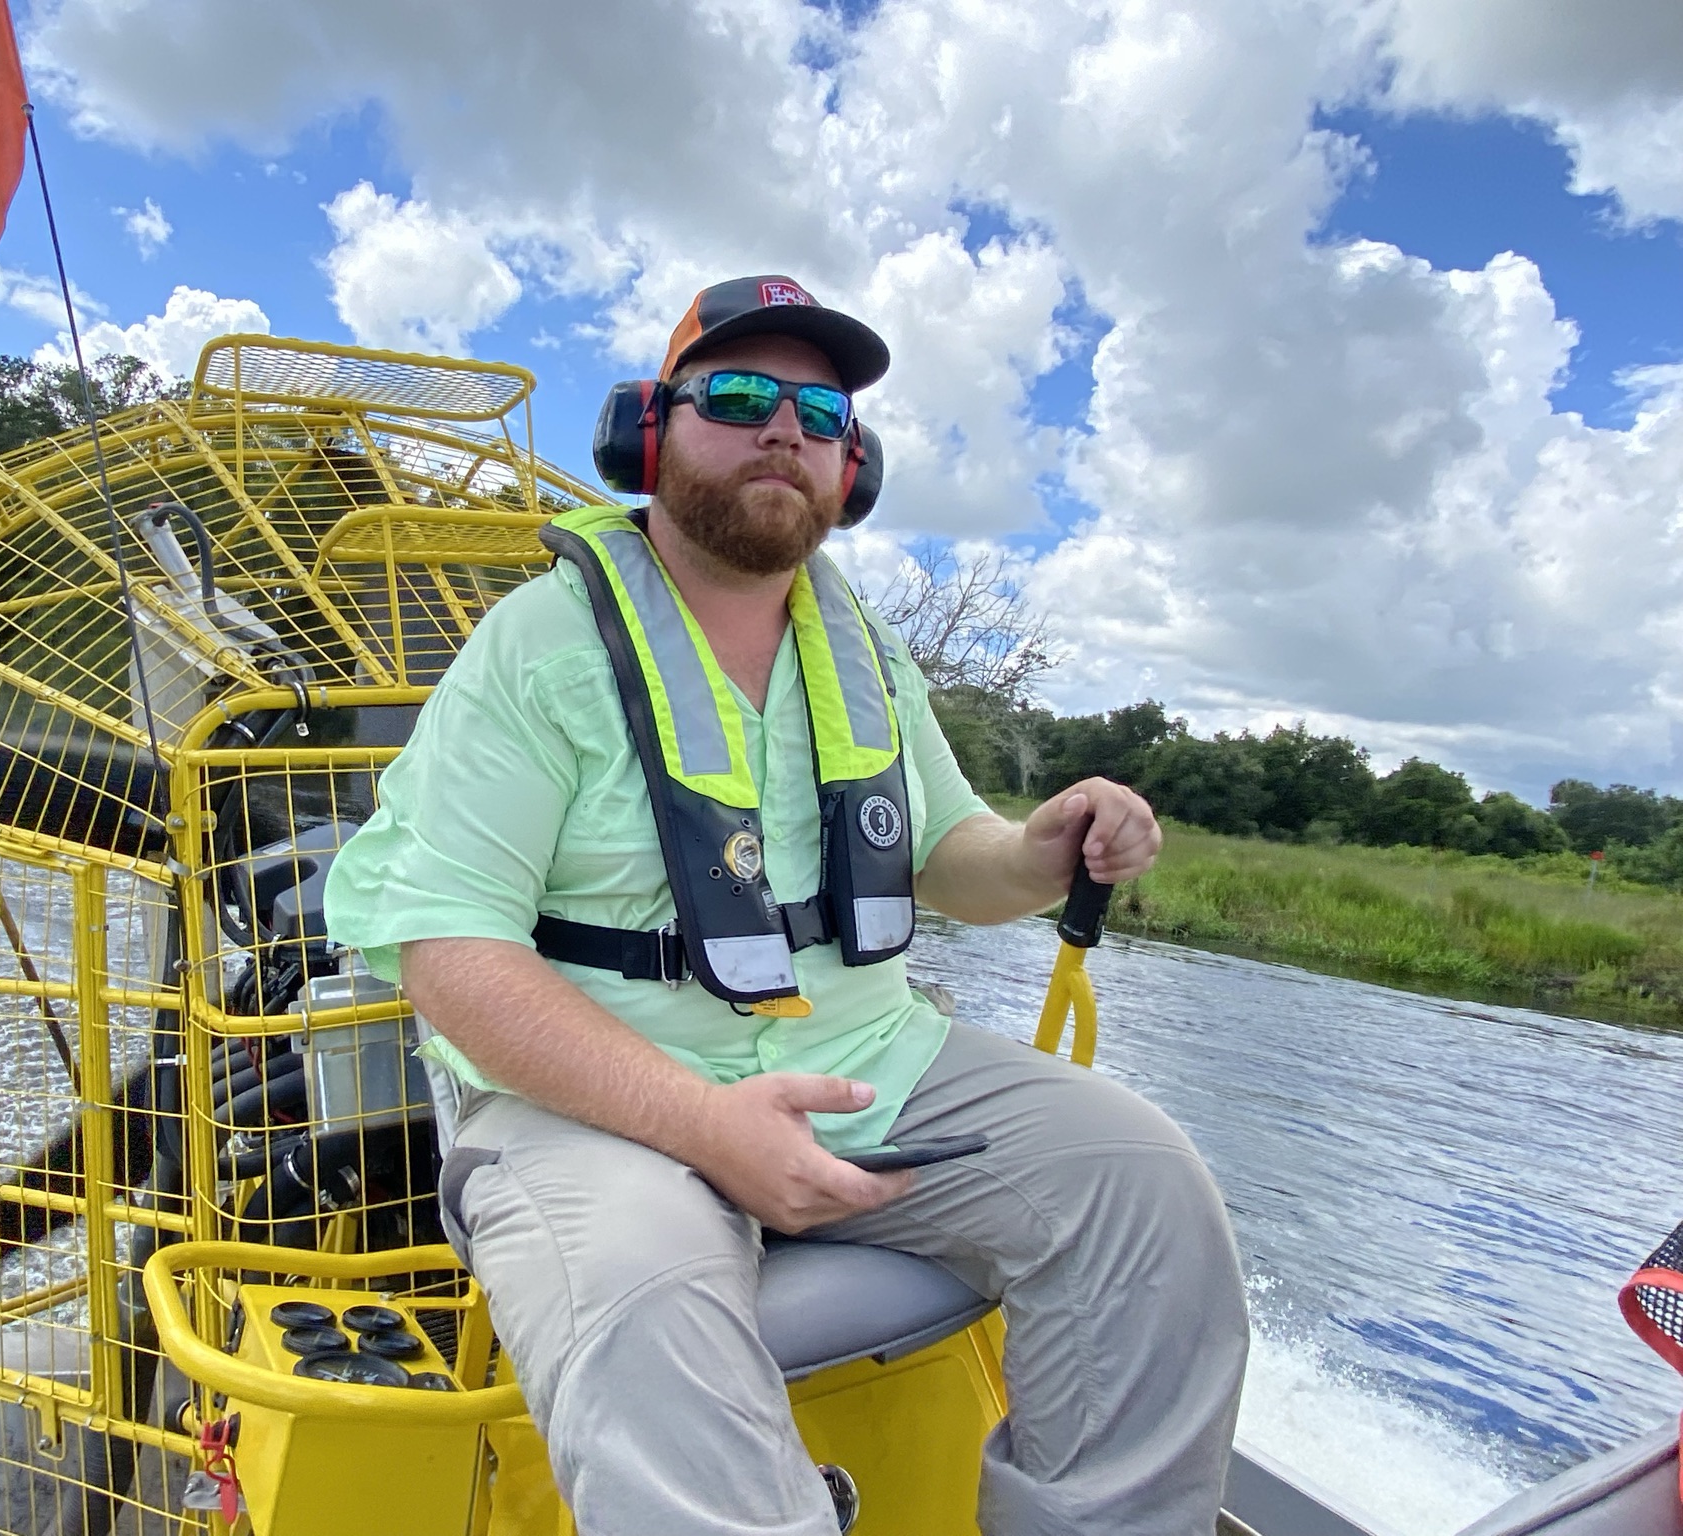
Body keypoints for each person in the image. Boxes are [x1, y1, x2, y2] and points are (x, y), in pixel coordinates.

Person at [323, 275, 1249, 1535]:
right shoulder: (535, 646)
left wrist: (1037, 852)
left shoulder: (862, 652)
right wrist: (706, 1126)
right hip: (595, 1103)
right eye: (741, 395)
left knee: (1142, 1184)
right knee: (643, 1294)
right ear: (648, 433)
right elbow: (449, 953)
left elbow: (943, 855)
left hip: (866, 1061)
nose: (785, 430)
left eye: (820, 413)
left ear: (848, 469)